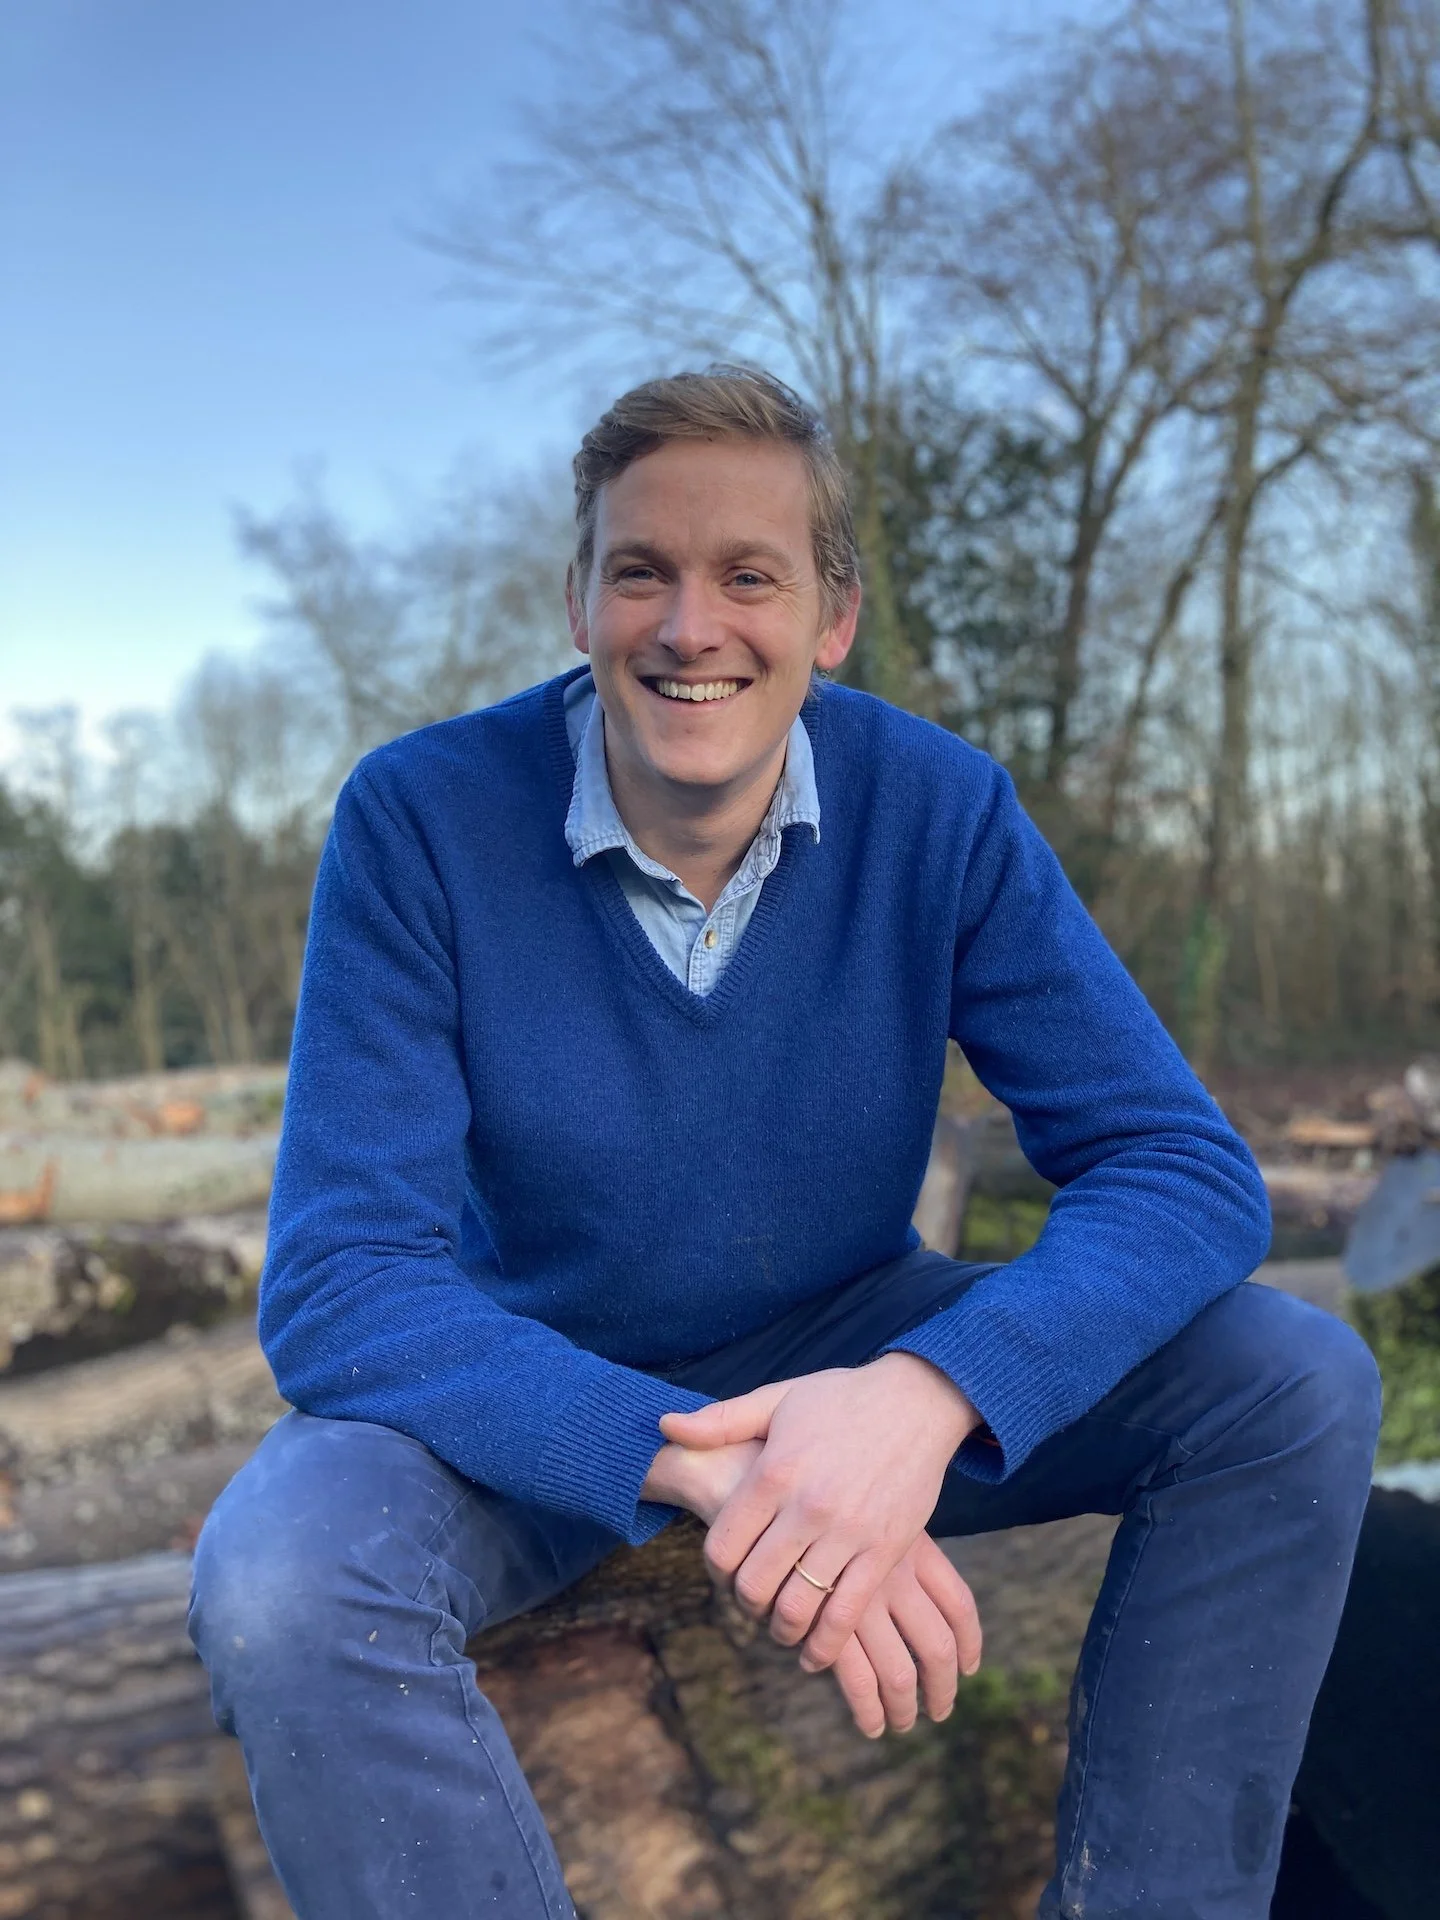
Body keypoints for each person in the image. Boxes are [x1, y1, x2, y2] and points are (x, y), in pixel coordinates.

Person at [189, 366, 1381, 1919]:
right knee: (282, 1580)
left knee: (1295, 1380)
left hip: (850, 1337)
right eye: (644, 572)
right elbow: (343, 1283)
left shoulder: (937, 808)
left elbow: (1180, 1164)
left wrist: (922, 1401)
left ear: (832, 619)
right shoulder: (419, 819)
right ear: (579, 603)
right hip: (531, 1388)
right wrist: (709, 1466)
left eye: (751, 575)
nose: (693, 626)